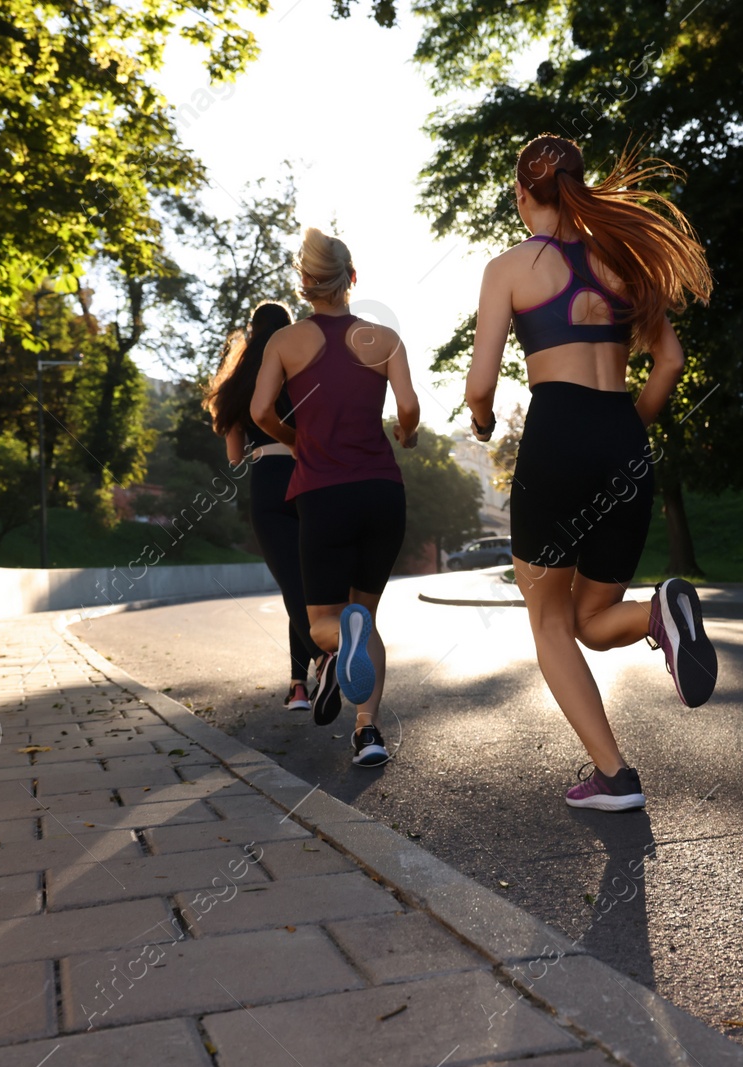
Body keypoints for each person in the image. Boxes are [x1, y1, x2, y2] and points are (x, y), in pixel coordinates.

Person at [465, 134, 716, 812]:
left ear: (523, 195)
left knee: (548, 620)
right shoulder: (622, 260)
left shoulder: (510, 268)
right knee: (592, 617)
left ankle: (614, 774)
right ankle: (662, 610)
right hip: (622, 440)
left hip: (557, 436)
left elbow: (481, 383)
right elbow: (670, 363)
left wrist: (482, 422)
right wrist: (627, 429)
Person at [251, 228, 420, 769]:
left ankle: (335, 648)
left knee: (325, 618)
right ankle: (368, 734)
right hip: (381, 493)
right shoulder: (384, 339)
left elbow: (258, 413)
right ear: (352, 277)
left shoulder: (284, 342)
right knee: (365, 617)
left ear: (303, 285)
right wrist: (406, 434)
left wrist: (300, 442)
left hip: (323, 495)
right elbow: (410, 408)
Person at [203, 301, 327, 712]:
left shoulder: (240, 381)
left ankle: (324, 661)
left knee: (293, 583)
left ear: (252, 332)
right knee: (309, 583)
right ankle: (299, 683)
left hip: (269, 480)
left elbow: (235, 457)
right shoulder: (302, 366)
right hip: (312, 478)